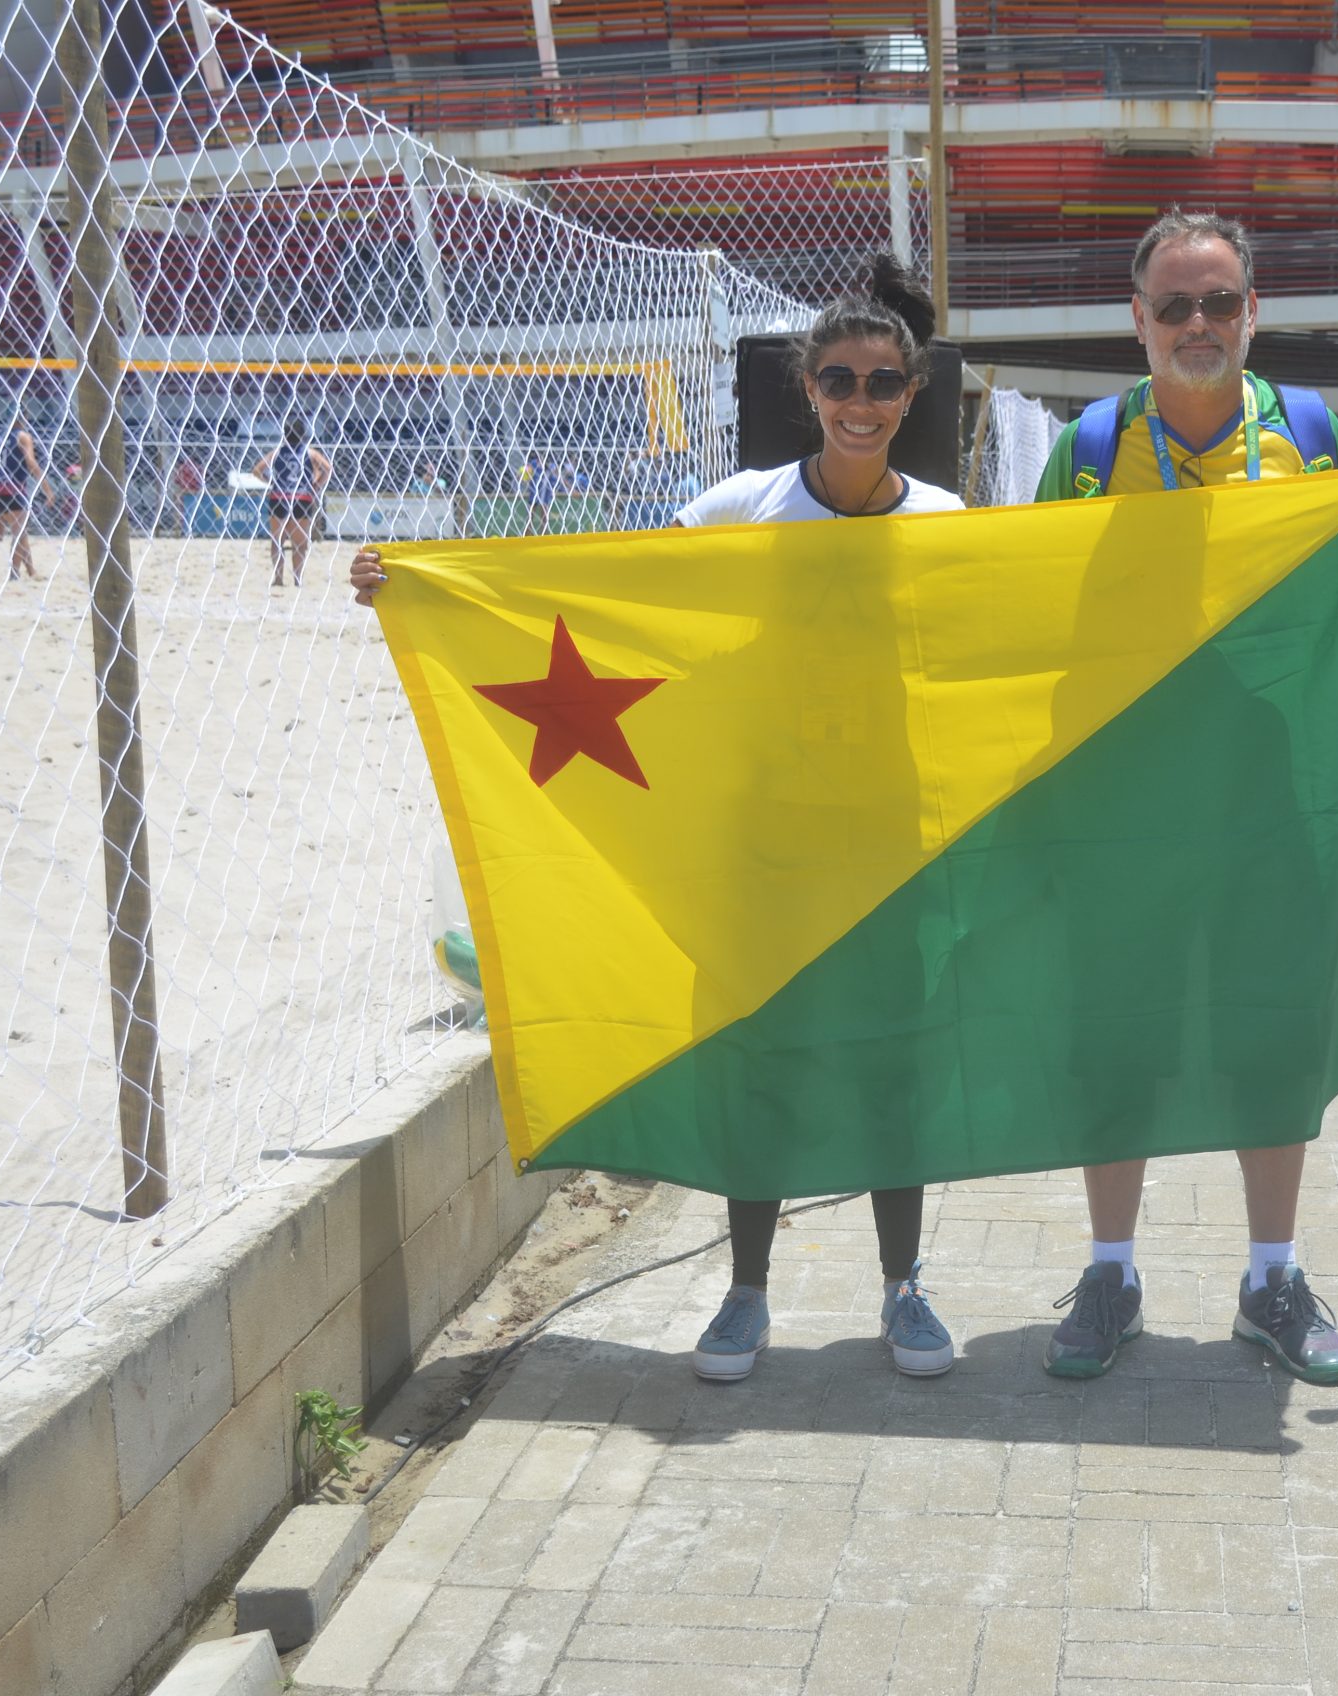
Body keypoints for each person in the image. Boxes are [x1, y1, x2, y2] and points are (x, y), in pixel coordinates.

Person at [352, 254, 963, 1383]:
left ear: (913, 392)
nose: (861, 403)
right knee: (758, 1057)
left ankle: (903, 1287)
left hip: (889, 839)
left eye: (884, 383)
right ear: (809, 390)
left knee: (892, 1068)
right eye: (839, 379)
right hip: (761, 837)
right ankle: (743, 1293)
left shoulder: (948, 522)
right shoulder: (742, 507)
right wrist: (425, 580)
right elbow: (602, 586)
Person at [1029, 209, 1338, 1385]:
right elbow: (1029, 608)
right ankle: (1110, 1267)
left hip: (1272, 793)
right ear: (1137, 321)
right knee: (1116, 1033)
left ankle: (1272, 1275)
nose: (1198, 324)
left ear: (1252, 311)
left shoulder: (1309, 434)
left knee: (1268, 1024)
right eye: (1174, 305)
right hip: (1129, 796)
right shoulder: (1085, 445)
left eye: (1220, 302)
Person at [254, 417, 330, 588]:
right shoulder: (310, 453)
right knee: (300, 544)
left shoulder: (277, 452)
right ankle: (297, 579)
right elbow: (327, 469)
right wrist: (315, 485)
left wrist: (271, 482)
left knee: (277, 541)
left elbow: (257, 470)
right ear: (303, 436)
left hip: (279, 496)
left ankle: (279, 578)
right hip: (301, 498)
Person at [0, 407, 42, 579]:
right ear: (24, 418)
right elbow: (30, 461)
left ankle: (31, 570)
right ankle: (14, 572)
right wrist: (46, 486)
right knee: (18, 531)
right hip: (15, 487)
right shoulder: (23, 437)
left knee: (20, 530)